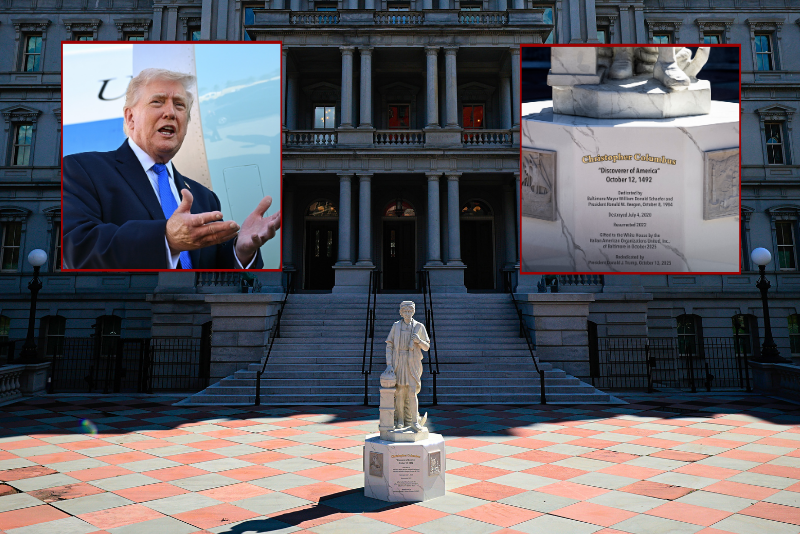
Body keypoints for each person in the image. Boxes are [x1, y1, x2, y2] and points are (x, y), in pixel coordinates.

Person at [62, 68, 280, 269]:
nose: (170, 112)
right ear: (130, 118)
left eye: (179, 105)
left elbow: (213, 271)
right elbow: (77, 248)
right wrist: (165, 239)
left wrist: (240, 251)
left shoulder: (204, 198)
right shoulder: (82, 170)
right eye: (157, 102)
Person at [385, 301, 430, 432]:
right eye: (404, 311)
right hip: (399, 361)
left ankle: (414, 421)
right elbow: (389, 345)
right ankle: (400, 420)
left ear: (413, 312)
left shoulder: (419, 326)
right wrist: (389, 364)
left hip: (413, 363)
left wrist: (419, 341)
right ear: (400, 312)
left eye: (409, 311)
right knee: (399, 392)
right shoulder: (396, 326)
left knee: (412, 391)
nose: (407, 314)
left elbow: (427, 347)